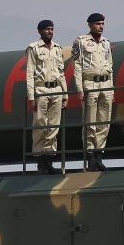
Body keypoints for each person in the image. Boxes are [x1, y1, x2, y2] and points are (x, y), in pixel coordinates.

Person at [72, 13, 113, 172]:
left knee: (104, 123)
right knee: (90, 123)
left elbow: (111, 65)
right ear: (90, 25)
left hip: (106, 84)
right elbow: (77, 67)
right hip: (90, 83)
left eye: (102, 23)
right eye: (97, 24)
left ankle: (99, 156)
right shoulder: (81, 42)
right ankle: (90, 157)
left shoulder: (106, 43)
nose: (101, 26)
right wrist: (79, 88)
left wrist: (112, 88)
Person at [25, 19, 66, 175]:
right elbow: (29, 73)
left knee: (53, 127)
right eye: (47, 29)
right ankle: (40, 162)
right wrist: (31, 96)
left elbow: (61, 72)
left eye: (51, 29)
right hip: (41, 89)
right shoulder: (33, 48)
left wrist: (64, 93)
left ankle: (49, 160)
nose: (50, 31)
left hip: (56, 89)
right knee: (40, 126)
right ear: (40, 31)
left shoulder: (57, 48)